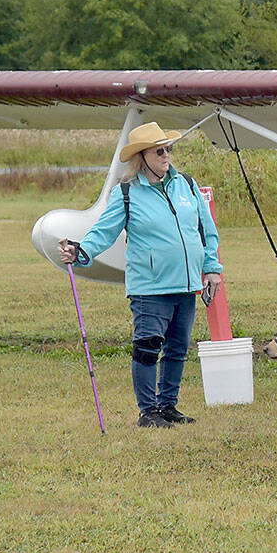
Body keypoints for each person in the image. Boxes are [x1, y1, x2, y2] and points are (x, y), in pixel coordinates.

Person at [58, 121, 223, 428]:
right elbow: (102, 233)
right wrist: (81, 252)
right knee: (148, 348)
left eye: (168, 149)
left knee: (177, 349)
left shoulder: (186, 184)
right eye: (159, 151)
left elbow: (206, 231)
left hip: (187, 284)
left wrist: (212, 268)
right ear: (142, 157)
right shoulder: (127, 194)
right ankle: (148, 411)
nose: (166, 156)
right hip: (150, 288)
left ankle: (168, 406)